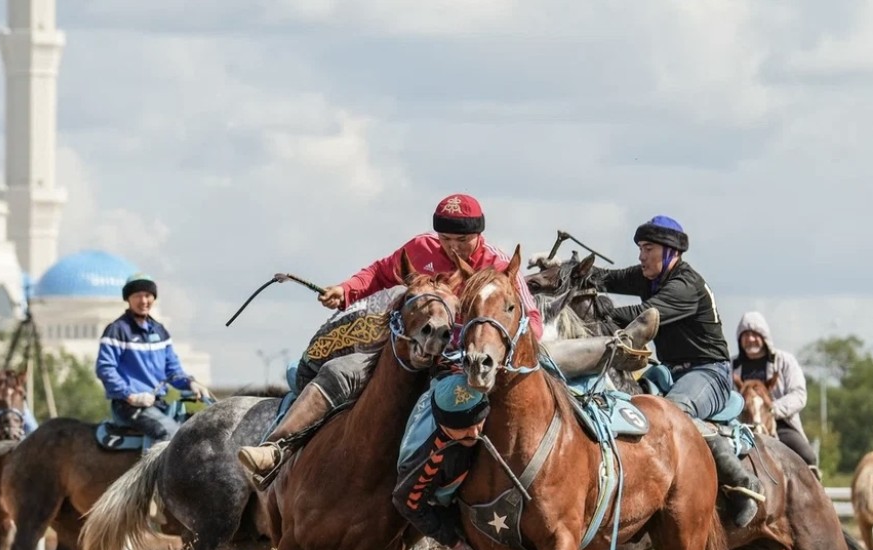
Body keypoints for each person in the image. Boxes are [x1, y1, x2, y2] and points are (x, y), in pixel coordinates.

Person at [237, 193, 544, 480]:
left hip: (464, 364)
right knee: (338, 372)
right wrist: (345, 290)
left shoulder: (500, 266)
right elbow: (381, 273)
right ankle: (275, 449)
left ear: (479, 235)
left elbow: (531, 320)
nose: (453, 247)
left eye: (462, 240)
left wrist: (490, 351)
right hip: (404, 352)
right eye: (446, 239)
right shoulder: (420, 249)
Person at [592, 215, 765, 527]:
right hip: (670, 372)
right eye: (640, 249)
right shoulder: (650, 277)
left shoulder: (685, 285)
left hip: (709, 373)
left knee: (673, 413)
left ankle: (744, 485)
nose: (641, 256)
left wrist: (601, 312)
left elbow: (644, 315)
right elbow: (604, 278)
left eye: (648, 249)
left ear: (670, 252)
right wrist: (563, 274)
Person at [393, 373, 488, 550]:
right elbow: (406, 502)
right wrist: (455, 544)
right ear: (443, 425)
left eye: (478, 421)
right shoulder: (424, 457)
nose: (474, 433)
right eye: (462, 428)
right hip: (442, 501)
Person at [95, 273, 211, 442]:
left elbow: (173, 371)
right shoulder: (117, 330)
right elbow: (105, 368)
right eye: (137, 296)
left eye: (148, 295)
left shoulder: (160, 330)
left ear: (153, 298)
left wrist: (190, 382)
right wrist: (130, 396)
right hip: (129, 406)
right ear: (128, 299)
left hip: (158, 404)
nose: (143, 301)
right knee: (171, 435)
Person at [731, 311, 820, 475]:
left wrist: (772, 410)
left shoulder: (785, 361)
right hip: (740, 427)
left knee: (808, 456)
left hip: (780, 424)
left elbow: (799, 394)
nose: (750, 339)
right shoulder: (731, 365)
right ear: (739, 339)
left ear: (764, 336)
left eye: (755, 334)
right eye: (745, 335)